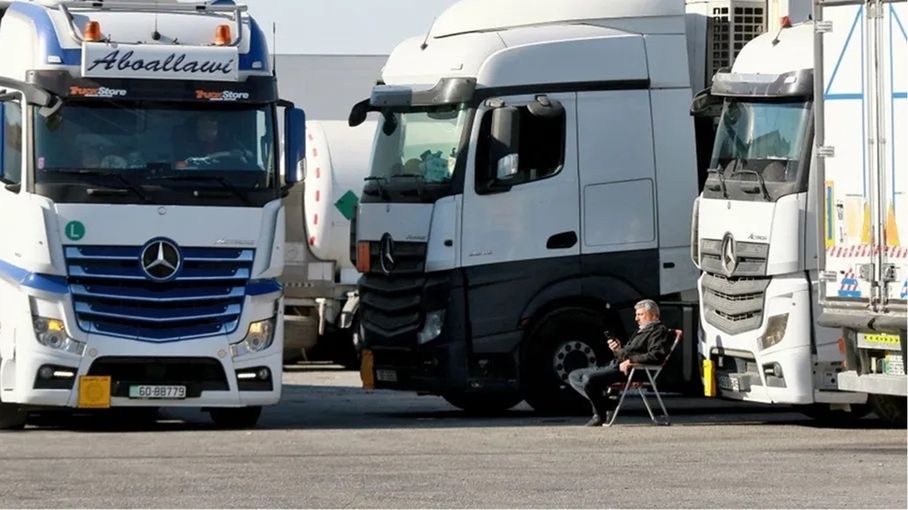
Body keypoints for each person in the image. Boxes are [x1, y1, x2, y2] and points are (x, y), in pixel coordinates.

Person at [568, 299, 675, 427]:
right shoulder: (642, 330)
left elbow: (656, 356)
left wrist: (631, 361)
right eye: (636, 314)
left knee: (589, 379)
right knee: (574, 375)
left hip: (635, 370)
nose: (636, 318)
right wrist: (617, 349)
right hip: (619, 365)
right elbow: (625, 355)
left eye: (640, 314)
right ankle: (607, 403)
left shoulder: (658, 331)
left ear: (653, 315)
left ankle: (600, 414)